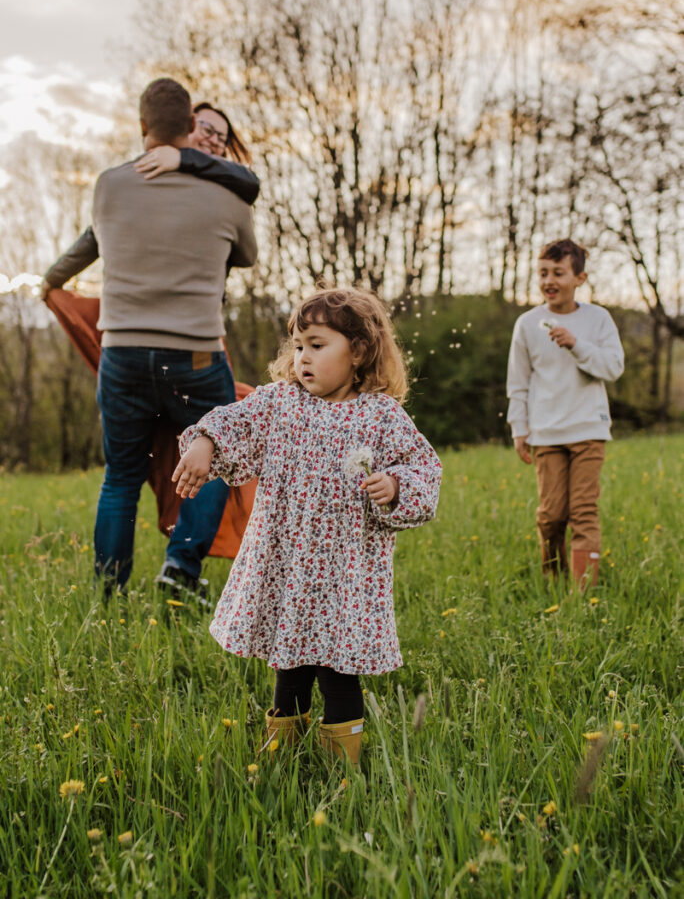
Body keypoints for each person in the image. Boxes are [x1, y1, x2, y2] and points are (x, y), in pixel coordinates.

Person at [173, 287, 442, 767]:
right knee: (289, 664)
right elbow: (234, 424)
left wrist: (396, 485)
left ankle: (344, 769)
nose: (303, 358)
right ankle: (281, 756)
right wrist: (204, 443)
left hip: (345, 577)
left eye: (318, 345)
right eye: (298, 346)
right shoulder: (280, 403)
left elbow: (424, 471)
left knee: (339, 673)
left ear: (358, 351)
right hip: (286, 570)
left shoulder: (381, 417)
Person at [70, 76, 258, 597]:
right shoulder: (228, 193)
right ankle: (181, 568)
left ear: (143, 126)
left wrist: (50, 283)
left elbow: (96, 241)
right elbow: (247, 255)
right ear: (190, 127)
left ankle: (108, 592)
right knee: (216, 459)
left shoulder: (108, 184)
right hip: (195, 356)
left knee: (120, 479)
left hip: (123, 354)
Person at [42, 101, 259, 294]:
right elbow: (95, 235)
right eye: (207, 129)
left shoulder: (228, 188)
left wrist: (183, 158)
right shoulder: (152, 169)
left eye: (222, 138)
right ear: (190, 125)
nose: (213, 140)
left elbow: (251, 183)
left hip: (202, 318)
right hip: (139, 308)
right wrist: (54, 278)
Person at [506, 239, 624, 589]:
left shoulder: (597, 319)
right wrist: (519, 429)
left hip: (589, 430)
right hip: (546, 434)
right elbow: (519, 381)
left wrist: (577, 345)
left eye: (558, 272)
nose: (548, 280)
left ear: (580, 278)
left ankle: (583, 592)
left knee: (584, 513)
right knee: (551, 515)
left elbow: (614, 367)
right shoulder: (527, 324)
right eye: (543, 272)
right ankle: (553, 579)